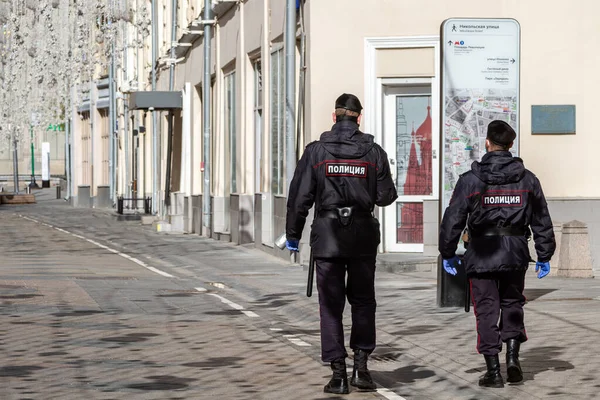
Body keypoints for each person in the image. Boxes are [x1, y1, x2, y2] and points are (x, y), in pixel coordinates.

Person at [285, 93, 398, 394]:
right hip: (362, 237)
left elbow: (300, 199)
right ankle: (361, 369)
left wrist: (293, 235)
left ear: (334, 118)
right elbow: (386, 197)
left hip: (328, 237)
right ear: (358, 119)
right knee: (363, 302)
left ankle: (338, 375)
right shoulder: (374, 152)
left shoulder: (316, 151)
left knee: (330, 306)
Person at [439, 120, 556, 388]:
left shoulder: (471, 180)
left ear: (487, 143)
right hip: (515, 252)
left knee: (487, 309)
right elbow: (541, 219)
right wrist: (545, 254)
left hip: (481, 253)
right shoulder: (528, 180)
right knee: (512, 304)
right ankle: (513, 358)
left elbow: (453, 218)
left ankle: (493, 371)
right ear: (511, 145)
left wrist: (447, 252)